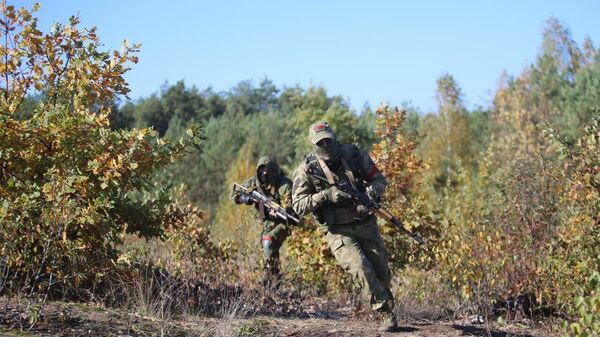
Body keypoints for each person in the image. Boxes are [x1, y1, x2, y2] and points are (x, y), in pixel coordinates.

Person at [291, 121, 397, 332]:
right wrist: (325, 195)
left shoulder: (354, 155)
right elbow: (298, 205)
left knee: (381, 271)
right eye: (321, 142)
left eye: (328, 140)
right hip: (337, 229)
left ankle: (386, 303)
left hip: (364, 223)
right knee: (360, 268)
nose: (326, 145)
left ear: (334, 137)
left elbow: (379, 180)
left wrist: (369, 195)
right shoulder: (307, 169)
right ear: (313, 143)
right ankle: (386, 314)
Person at [232, 156, 295, 288]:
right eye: (261, 171)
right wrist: (245, 198)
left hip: (285, 223)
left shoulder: (284, 184)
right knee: (266, 249)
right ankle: (273, 279)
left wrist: (279, 212)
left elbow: (289, 207)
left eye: (268, 172)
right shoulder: (253, 183)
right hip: (266, 223)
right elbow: (233, 194)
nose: (264, 174)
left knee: (268, 241)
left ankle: (271, 279)